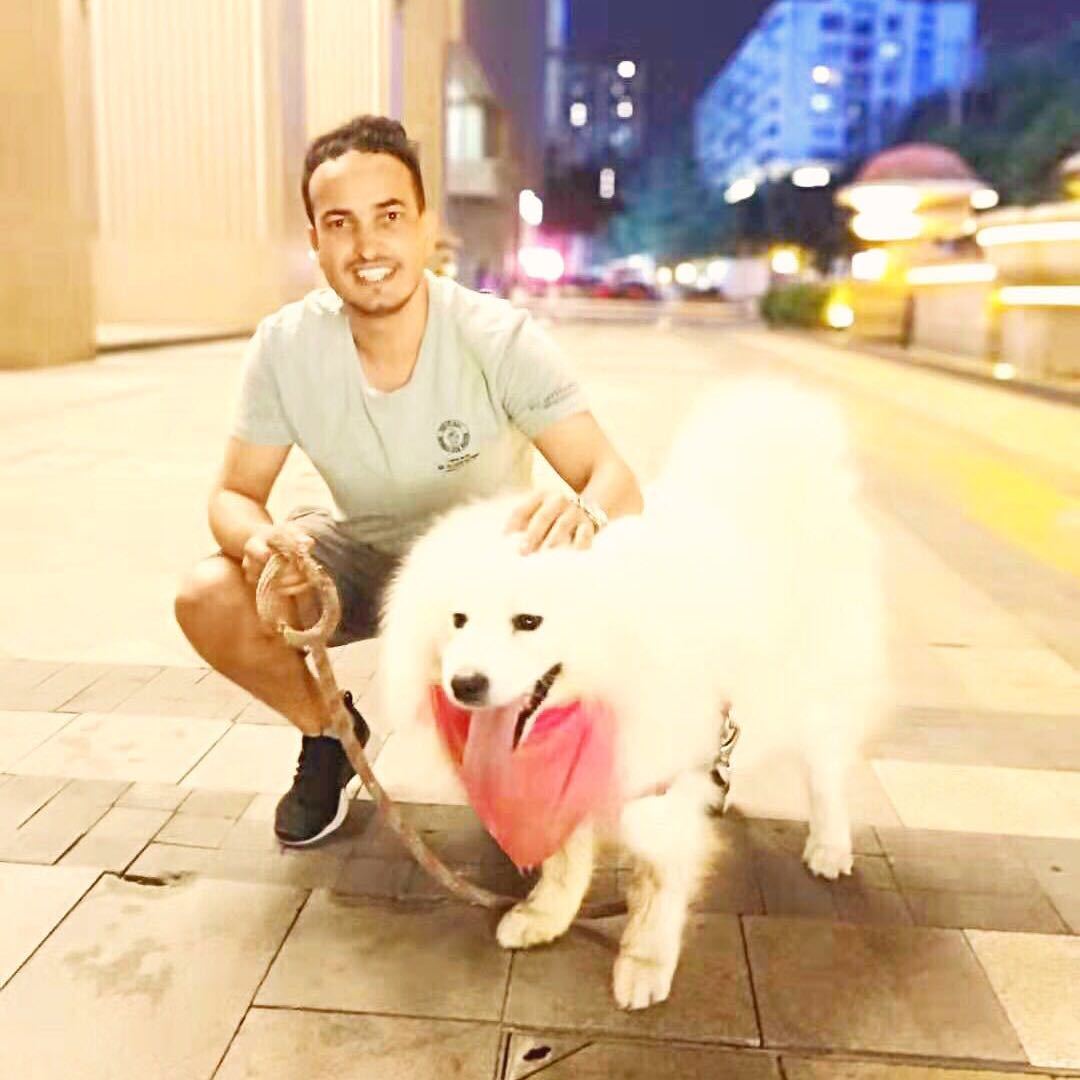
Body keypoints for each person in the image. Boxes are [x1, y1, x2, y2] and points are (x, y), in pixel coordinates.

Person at [174, 115, 643, 847]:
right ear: (316, 242)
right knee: (207, 594)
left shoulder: (498, 337)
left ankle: (675, 745)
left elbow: (614, 478)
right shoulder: (286, 347)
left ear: (427, 228)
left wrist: (583, 510)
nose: (367, 247)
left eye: (389, 216)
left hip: (485, 577)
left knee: (528, 826)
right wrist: (260, 541)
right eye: (341, 223)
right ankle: (330, 733)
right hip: (365, 559)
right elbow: (233, 495)